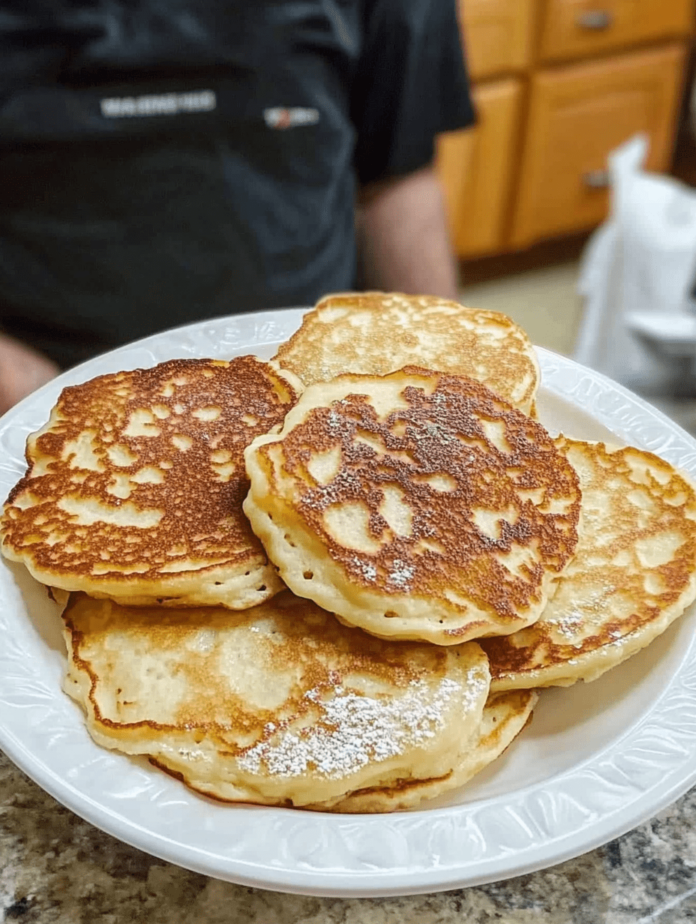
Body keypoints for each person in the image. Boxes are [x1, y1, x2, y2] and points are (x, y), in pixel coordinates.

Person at [0, 0, 475, 414]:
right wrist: (27, 393)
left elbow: (396, 172)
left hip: (319, 372)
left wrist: (437, 380)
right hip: (44, 384)